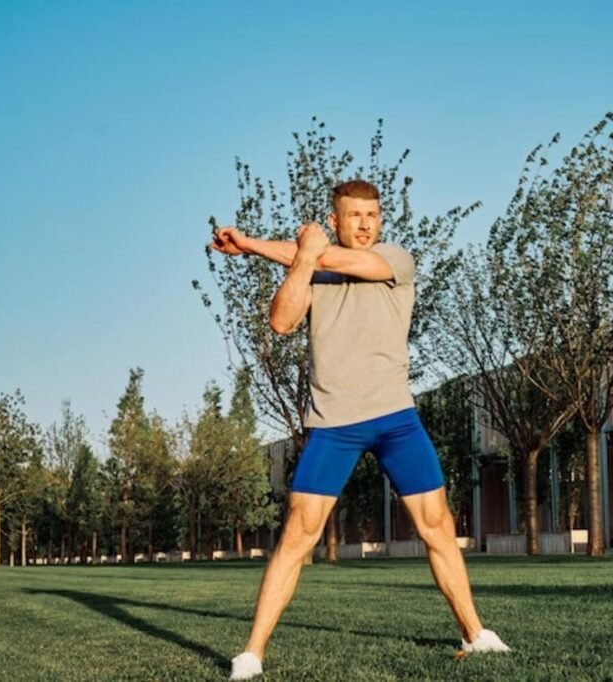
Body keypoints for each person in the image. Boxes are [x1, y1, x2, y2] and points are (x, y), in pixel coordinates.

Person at [209, 180, 510, 680]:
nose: (365, 224)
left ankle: (475, 633)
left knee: (438, 527)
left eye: (372, 215)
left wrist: (277, 249)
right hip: (333, 425)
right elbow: (282, 322)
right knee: (297, 535)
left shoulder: (396, 260)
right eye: (354, 216)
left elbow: (334, 260)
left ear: (381, 219)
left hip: (395, 419)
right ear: (335, 221)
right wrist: (281, 254)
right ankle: (252, 653)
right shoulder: (315, 268)